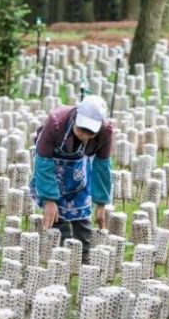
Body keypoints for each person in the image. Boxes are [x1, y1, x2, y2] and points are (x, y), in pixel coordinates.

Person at [29, 94, 113, 262]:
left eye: (90, 133)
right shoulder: (56, 123)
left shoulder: (105, 131)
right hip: (53, 169)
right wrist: (49, 200)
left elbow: (102, 166)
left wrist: (101, 203)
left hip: (77, 173)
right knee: (56, 216)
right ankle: (62, 259)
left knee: (82, 217)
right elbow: (43, 163)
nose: (84, 136)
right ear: (75, 117)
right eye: (81, 129)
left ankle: (84, 260)